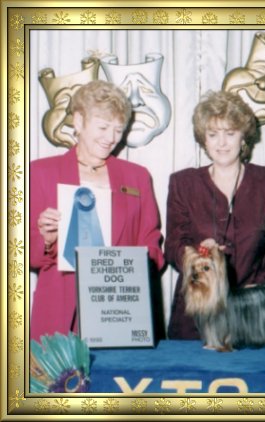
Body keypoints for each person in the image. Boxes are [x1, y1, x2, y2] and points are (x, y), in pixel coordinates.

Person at [30, 80, 165, 341]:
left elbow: (152, 243)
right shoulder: (40, 173)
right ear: (78, 121)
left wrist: (132, 268)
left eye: (118, 130)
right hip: (58, 313)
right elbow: (23, 254)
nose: (111, 138)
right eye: (103, 127)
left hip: (120, 311)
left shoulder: (137, 177)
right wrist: (45, 240)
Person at [165, 90, 265, 339]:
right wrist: (197, 255)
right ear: (203, 140)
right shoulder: (183, 183)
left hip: (255, 317)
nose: (222, 143)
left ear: (243, 137)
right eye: (213, 134)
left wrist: (258, 286)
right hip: (196, 317)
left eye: (230, 133)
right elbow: (173, 246)